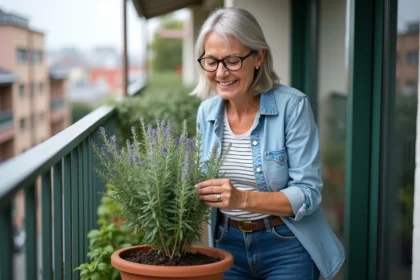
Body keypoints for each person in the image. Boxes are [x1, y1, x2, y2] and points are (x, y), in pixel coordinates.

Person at [193, 7, 345, 280]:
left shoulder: (292, 106)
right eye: (211, 61)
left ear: (259, 57)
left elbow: (308, 193)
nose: (221, 72)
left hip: (286, 245)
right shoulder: (206, 113)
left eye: (232, 60)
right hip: (226, 244)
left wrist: (242, 198)